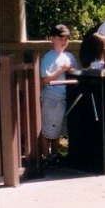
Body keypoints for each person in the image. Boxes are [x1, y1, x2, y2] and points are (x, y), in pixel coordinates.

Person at [39, 24, 78, 166]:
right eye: (61, 38)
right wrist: (61, 70)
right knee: (47, 130)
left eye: (66, 38)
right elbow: (45, 79)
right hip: (51, 97)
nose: (64, 41)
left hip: (63, 97)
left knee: (57, 130)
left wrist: (70, 69)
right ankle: (45, 157)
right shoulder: (48, 58)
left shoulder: (69, 56)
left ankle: (55, 156)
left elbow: (74, 72)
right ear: (52, 39)